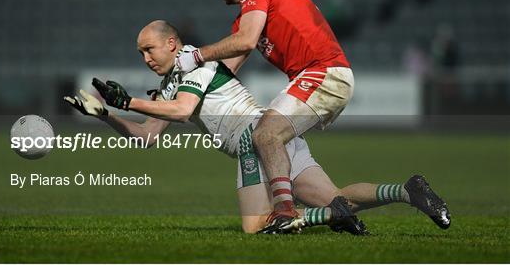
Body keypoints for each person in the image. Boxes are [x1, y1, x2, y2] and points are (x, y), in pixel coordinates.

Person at [65, 20, 451, 234]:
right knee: (337, 199)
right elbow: (147, 136)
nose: (145, 58)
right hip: (275, 136)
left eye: (149, 49)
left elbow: (182, 112)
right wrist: (103, 114)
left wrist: (126, 99)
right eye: (139, 54)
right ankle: (407, 191)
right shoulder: (173, 80)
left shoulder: (193, 65)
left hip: (253, 138)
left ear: (172, 44)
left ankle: (323, 218)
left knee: (254, 227)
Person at [174, 0, 450, 232]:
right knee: (333, 199)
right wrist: (179, 84)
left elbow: (245, 41)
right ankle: (408, 191)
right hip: (324, 75)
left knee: (265, 134)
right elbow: (226, 68)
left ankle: (285, 212)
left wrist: (196, 55)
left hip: (323, 72)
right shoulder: (251, 11)